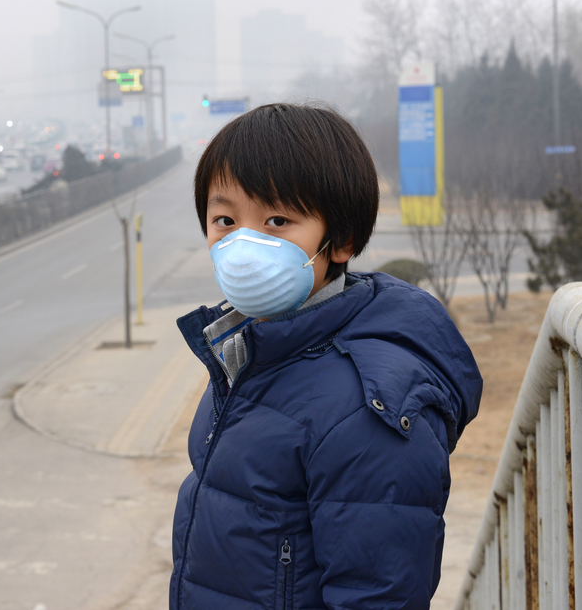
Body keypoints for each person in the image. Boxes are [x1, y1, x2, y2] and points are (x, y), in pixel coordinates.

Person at [169, 103, 483, 609]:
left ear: (342, 240)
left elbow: (380, 594)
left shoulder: (366, 409)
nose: (244, 245)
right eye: (225, 219)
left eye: (277, 220)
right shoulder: (249, 354)